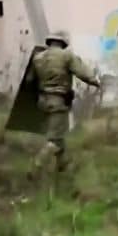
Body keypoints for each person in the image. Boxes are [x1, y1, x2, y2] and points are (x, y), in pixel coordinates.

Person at [27, 31, 100, 179]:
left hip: (43, 101)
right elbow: (82, 72)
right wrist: (95, 81)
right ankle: (36, 165)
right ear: (63, 43)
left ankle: (63, 165)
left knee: (58, 134)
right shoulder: (66, 56)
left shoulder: (37, 58)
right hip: (58, 101)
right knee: (54, 140)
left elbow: (29, 80)